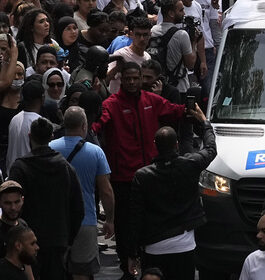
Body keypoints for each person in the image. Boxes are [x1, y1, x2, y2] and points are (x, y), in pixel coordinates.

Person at [92, 63, 185, 278]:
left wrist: (196, 109)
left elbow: (175, 111)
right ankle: (127, 269)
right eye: (128, 78)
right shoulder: (111, 104)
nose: (132, 82)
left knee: (151, 224)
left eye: (136, 78)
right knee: (125, 227)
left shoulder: (151, 100)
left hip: (152, 176)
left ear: (142, 78)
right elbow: (99, 123)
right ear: (121, 80)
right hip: (123, 179)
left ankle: (151, 269)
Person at [130, 103, 217, 279]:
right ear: (177, 144)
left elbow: (135, 216)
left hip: (153, 246)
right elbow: (210, 149)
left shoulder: (142, 176)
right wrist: (204, 122)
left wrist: (132, 252)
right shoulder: (190, 165)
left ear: (155, 145)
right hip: (184, 245)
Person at [6, 118, 84, 280]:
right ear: (51, 137)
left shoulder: (20, 167)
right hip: (58, 241)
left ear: (30, 136)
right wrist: (67, 238)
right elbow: (78, 208)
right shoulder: (65, 167)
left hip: (26, 241)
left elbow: (11, 206)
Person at [49, 106, 114, 280]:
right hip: (85, 221)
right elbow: (106, 191)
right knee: (82, 273)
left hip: (55, 222)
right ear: (84, 125)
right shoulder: (95, 152)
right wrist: (109, 219)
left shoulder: (49, 148)